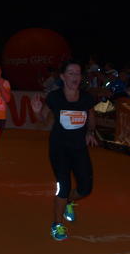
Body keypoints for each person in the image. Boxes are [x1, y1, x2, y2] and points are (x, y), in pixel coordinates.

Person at [31, 60, 99, 241]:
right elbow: (42, 119)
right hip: (59, 148)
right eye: (71, 73)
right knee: (64, 185)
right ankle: (57, 225)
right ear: (62, 77)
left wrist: (90, 132)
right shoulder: (55, 97)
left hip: (79, 148)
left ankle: (69, 200)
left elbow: (91, 119)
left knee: (85, 189)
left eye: (78, 73)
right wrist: (37, 112)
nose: (75, 77)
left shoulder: (86, 98)